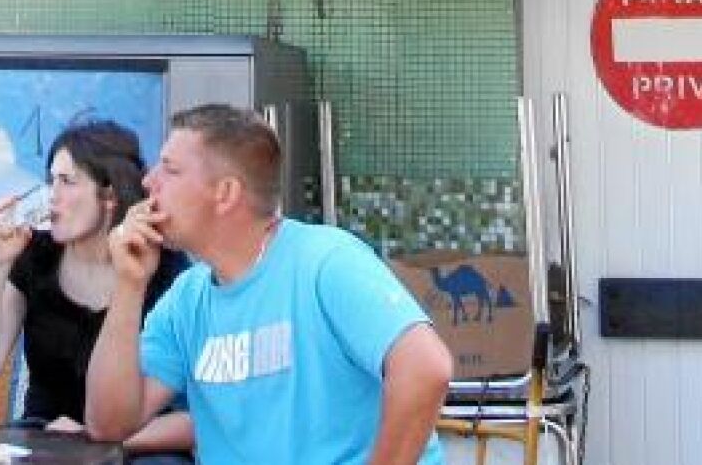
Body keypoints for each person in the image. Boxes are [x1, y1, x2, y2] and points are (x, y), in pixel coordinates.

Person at [86, 104, 455, 465]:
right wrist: (129, 285)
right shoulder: (187, 297)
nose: (148, 181)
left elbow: (426, 367)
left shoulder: (327, 261)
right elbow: (109, 426)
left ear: (225, 193)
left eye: (170, 169)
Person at [0, 120, 193, 461]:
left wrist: (92, 437)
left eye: (67, 181)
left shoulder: (166, 270)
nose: (51, 195)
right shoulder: (36, 255)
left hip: (140, 446)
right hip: (43, 436)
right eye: (51, 181)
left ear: (110, 195)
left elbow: (198, 419)